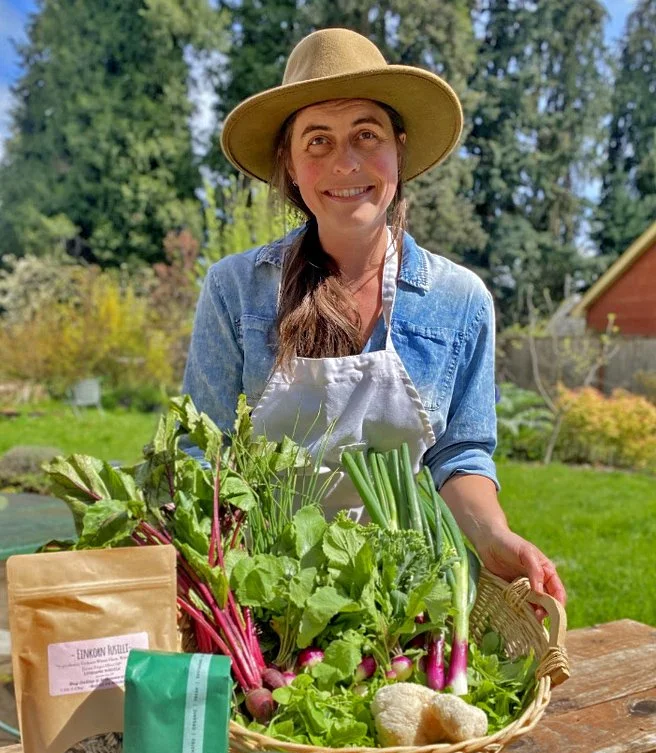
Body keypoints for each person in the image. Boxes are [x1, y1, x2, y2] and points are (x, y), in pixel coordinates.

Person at [183, 28, 566, 612]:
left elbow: (458, 454)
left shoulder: (459, 299)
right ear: (289, 161)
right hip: (261, 589)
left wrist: (493, 536)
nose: (346, 162)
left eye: (367, 134)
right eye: (318, 141)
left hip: (406, 592)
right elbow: (200, 454)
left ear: (398, 150)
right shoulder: (235, 289)